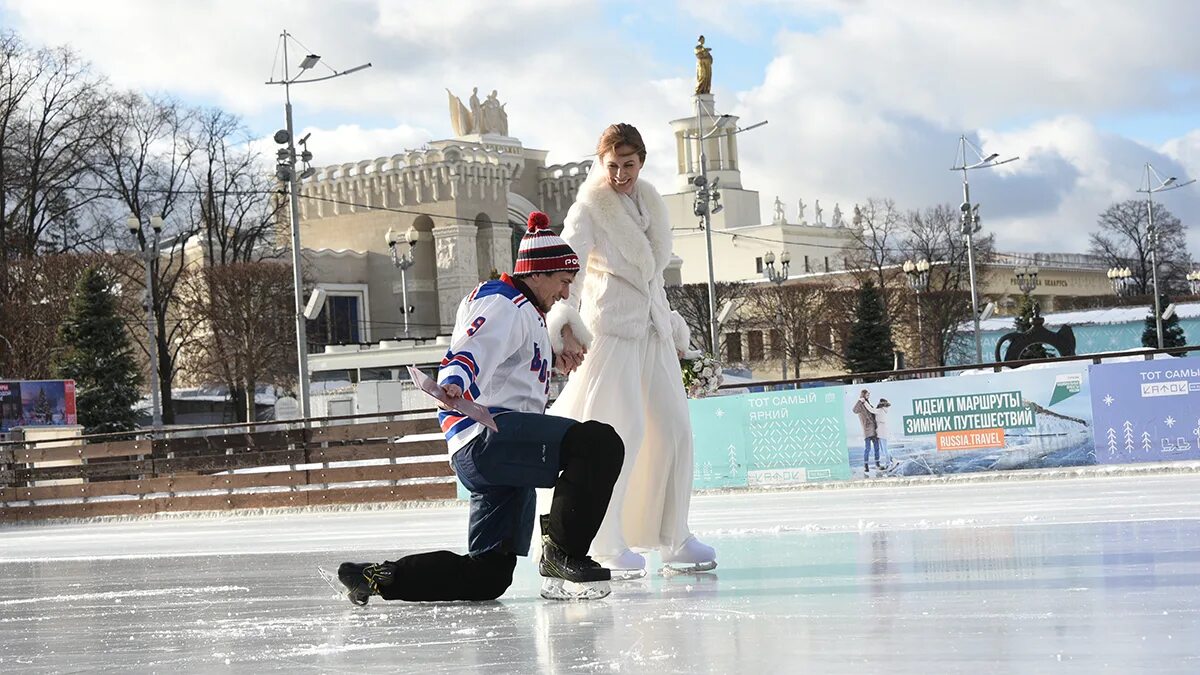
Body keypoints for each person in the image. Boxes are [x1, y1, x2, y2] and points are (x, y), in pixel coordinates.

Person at [336, 212, 625, 603]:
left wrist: (554, 360)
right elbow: (474, 346)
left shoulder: (524, 311)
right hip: (490, 436)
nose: (564, 293)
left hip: (488, 449)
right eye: (562, 282)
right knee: (598, 443)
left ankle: (378, 577)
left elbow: (509, 367)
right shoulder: (503, 302)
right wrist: (454, 379)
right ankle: (563, 554)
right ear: (537, 273)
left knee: (487, 577)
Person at [545, 123, 716, 577]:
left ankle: (675, 536)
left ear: (641, 162)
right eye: (612, 165)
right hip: (613, 336)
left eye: (629, 165)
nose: (620, 174)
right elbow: (570, 271)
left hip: (654, 333)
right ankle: (604, 541)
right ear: (601, 163)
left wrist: (674, 324)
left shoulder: (653, 202)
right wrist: (565, 322)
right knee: (621, 435)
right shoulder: (588, 210)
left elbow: (652, 277)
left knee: (676, 430)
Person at [852, 389, 879, 476]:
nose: (868, 396)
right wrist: (859, 400)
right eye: (867, 394)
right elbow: (854, 410)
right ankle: (866, 465)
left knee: (876, 448)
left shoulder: (868, 404)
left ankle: (877, 464)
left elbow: (873, 414)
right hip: (867, 430)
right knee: (867, 449)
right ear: (863, 395)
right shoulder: (860, 405)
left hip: (874, 430)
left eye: (869, 394)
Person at [872, 398, 892, 471]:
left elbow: (871, 410)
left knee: (885, 450)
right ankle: (891, 461)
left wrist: (865, 403)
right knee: (884, 450)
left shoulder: (880, 410)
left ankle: (889, 463)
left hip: (882, 433)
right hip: (881, 433)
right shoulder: (883, 410)